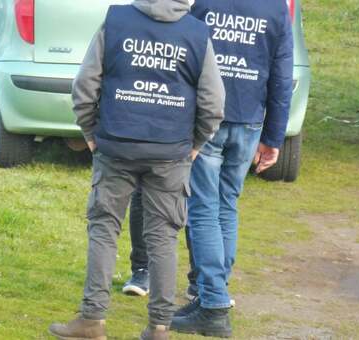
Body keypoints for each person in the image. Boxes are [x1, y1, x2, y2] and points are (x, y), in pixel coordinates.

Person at [48, 0, 225, 338]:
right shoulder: (197, 33)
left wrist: (90, 133)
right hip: (170, 153)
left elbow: (84, 87)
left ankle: (92, 319)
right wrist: (195, 145)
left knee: (104, 229)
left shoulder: (116, 20)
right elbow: (213, 103)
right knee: (163, 239)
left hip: (115, 145)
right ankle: (159, 326)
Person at [123, 0, 294, 337]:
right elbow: (282, 74)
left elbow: (178, 55)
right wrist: (273, 136)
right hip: (248, 121)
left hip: (207, 118)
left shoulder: (203, 2)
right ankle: (210, 293)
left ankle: (213, 301)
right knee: (226, 207)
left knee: (202, 210)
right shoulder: (275, 7)